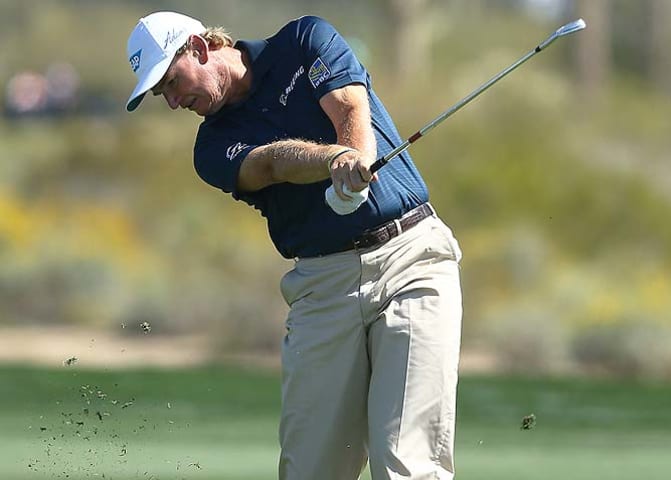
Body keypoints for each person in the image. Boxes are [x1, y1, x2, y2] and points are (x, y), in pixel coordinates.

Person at [124, 11, 463, 480]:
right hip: (324, 288)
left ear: (199, 49)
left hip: (413, 259)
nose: (174, 101)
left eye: (171, 82)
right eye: (162, 93)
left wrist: (356, 157)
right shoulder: (211, 148)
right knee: (310, 470)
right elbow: (270, 165)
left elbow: (349, 105)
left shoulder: (304, 39)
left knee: (408, 462)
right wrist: (335, 160)